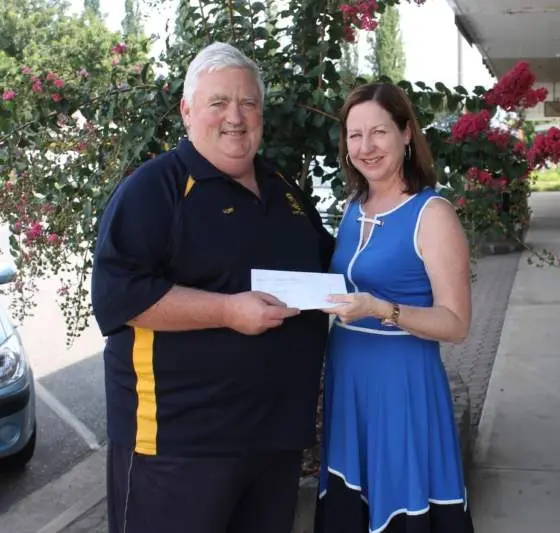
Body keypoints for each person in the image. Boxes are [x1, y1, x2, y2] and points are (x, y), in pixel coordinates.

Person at [90, 42, 334, 533]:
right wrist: (227, 311)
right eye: (218, 102)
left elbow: (329, 267)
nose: (235, 117)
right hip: (180, 446)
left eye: (247, 103)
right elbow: (119, 296)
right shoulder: (155, 190)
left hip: (273, 443)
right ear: (187, 111)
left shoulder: (282, 188)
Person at [314, 83, 474, 533]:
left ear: (406, 134)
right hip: (350, 383)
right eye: (354, 135)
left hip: (402, 388)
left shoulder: (432, 213)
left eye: (378, 132)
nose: (365, 147)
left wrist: (382, 308)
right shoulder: (352, 206)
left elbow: (457, 324)